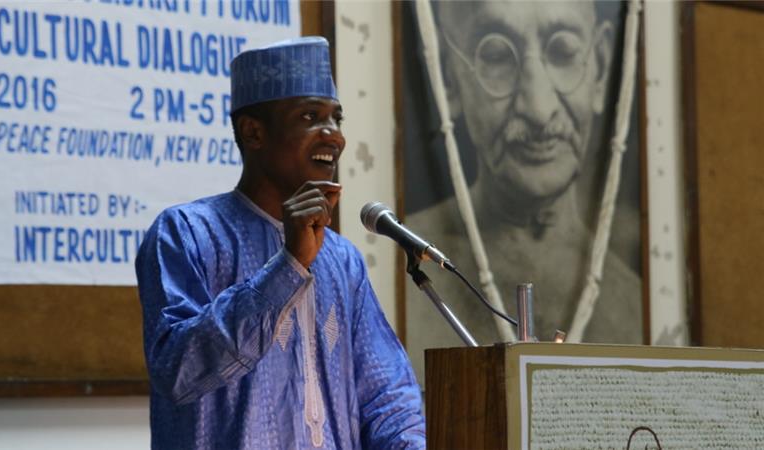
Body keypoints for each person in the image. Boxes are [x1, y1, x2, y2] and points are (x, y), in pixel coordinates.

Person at [136, 37, 425, 449]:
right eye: (310, 116)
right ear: (253, 133)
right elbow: (179, 370)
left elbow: (387, 396)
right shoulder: (185, 233)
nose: (334, 137)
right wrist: (288, 266)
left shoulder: (343, 260)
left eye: (336, 119)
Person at [405, 1, 642, 380]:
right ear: (450, 79)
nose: (538, 108)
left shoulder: (631, 300)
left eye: (563, 53)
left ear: (598, 66)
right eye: (498, 57)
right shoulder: (408, 269)